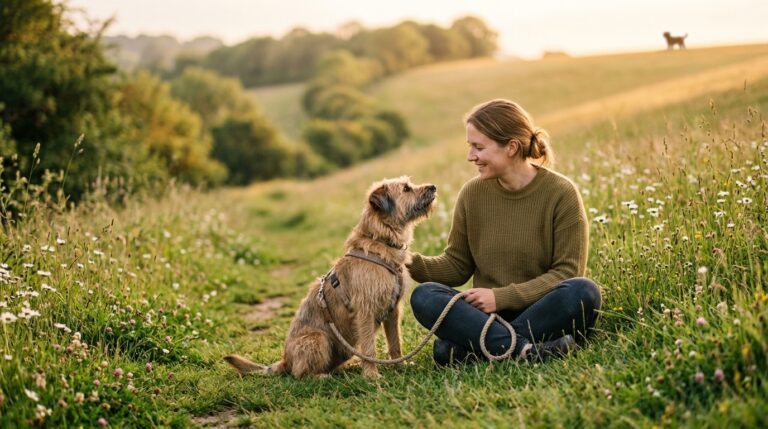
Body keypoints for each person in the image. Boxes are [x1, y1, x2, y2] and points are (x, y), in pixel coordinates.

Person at [408, 99, 601, 365]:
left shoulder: (561, 193)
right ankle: (528, 350)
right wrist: (405, 260)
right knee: (425, 296)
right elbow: (457, 266)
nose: (471, 156)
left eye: (479, 147)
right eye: (470, 147)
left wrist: (500, 297)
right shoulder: (472, 194)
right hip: (484, 318)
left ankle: (478, 351)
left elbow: (566, 273)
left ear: (511, 147)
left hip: (542, 311)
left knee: (584, 291)